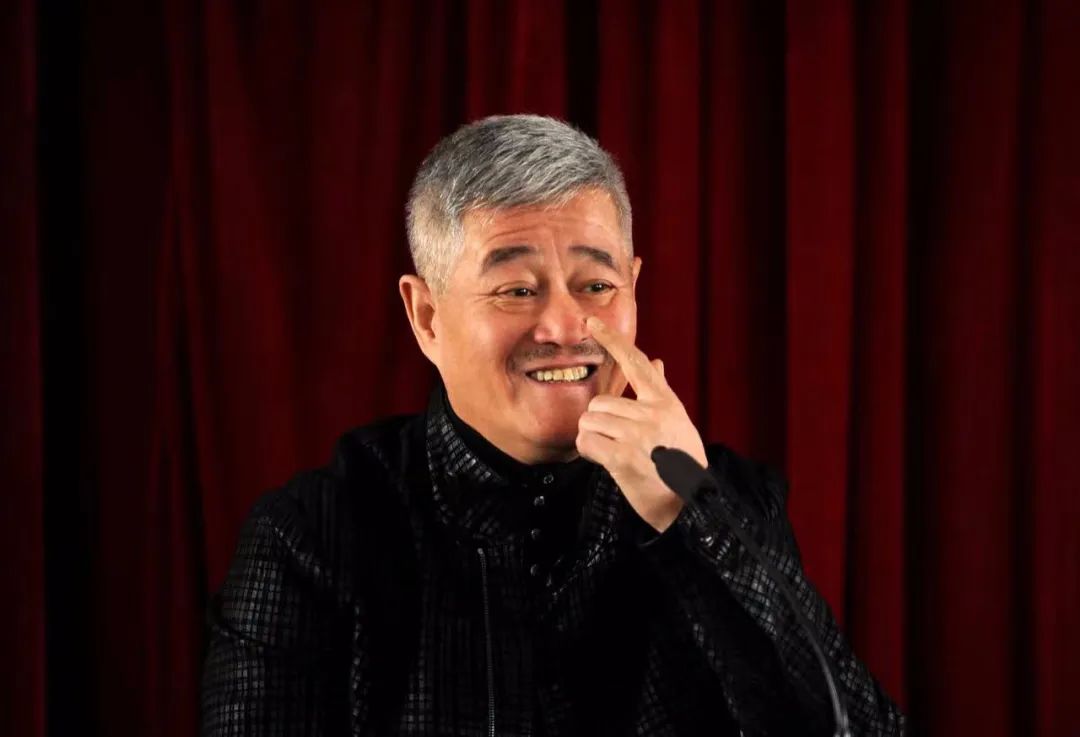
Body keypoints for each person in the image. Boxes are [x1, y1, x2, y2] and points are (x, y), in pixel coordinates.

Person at [201, 114, 905, 736]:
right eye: (516, 289)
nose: (567, 327)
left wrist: (687, 509)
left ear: (634, 289)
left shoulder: (727, 499)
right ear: (427, 317)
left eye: (597, 286)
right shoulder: (314, 537)